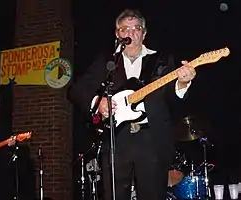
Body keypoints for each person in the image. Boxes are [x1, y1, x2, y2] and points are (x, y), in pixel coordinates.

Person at [68, 8, 196, 200]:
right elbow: (77, 90)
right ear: (117, 34)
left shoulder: (160, 60)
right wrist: (98, 102)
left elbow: (171, 95)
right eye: (124, 29)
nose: (130, 33)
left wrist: (183, 82)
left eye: (136, 28)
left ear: (144, 34)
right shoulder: (107, 62)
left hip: (151, 139)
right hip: (116, 138)